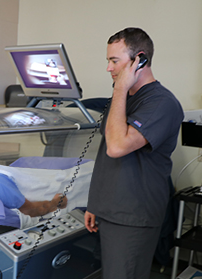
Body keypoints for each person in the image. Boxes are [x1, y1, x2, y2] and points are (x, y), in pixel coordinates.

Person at [84, 27, 183, 279]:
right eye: (108, 60)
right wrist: (96, 203)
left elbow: (118, 147)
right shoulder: (123, 99)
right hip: (110, 209)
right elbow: (105, 153)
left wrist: (119, 89)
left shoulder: (162, 103)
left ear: (139, 60)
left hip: (133, 215)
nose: (109, 68)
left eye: (114, 61)